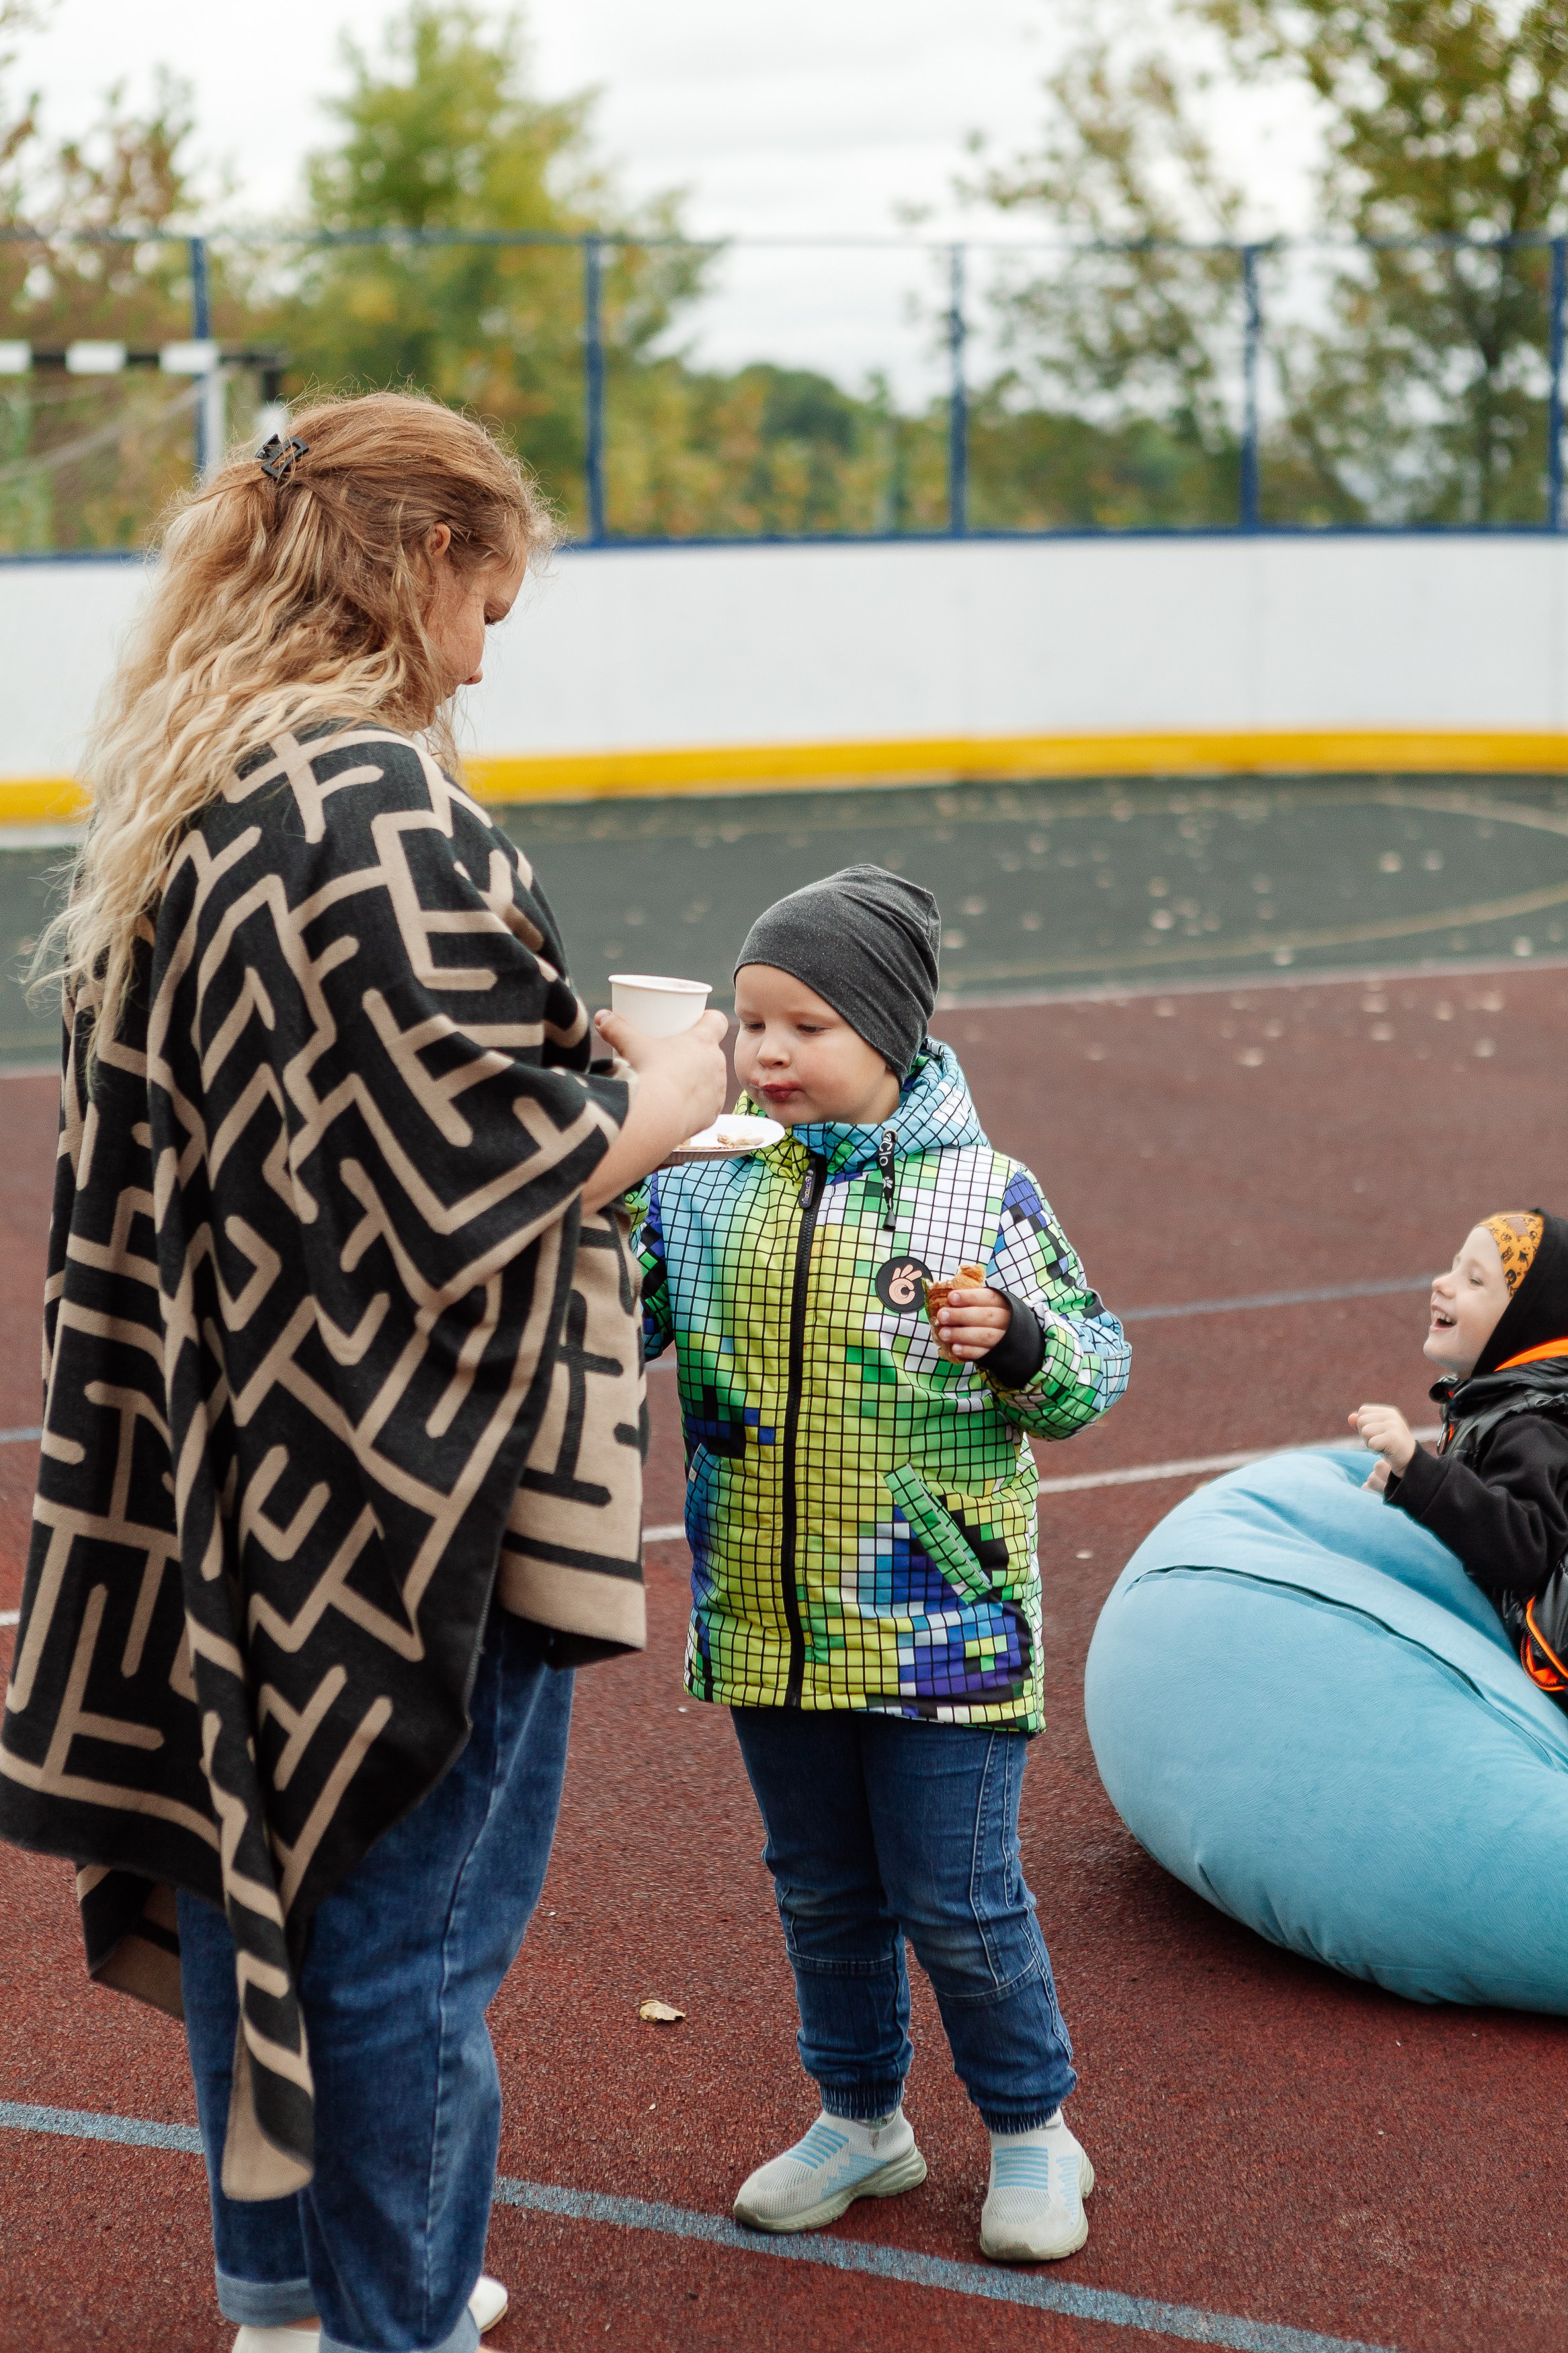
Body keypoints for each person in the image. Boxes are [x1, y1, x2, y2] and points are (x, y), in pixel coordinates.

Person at [0, 393, 727, 2353]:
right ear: (418, 569)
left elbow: (326, 1120)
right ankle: (390, 2316)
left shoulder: (192, 801)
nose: (488, 650)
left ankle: (280, 2295)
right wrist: (659, 1089)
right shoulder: (381, 805)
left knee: (264, 1867)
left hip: (239, 1472)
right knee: (408, 1942)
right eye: (488, 599)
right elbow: (473, 1166)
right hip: (414, 1492)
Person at [624, 865, 1130, 2264]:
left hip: (939, 1625)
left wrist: (1017, 1343)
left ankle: (1032, 2129)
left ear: (890, 1035)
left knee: (957, 1894)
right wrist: (604, 1186)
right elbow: (620, 1329)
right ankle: (860, 2117)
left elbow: (1091, 1370)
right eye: (749, 1023)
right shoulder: (707, 1182)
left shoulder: (984, 1192)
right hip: (771, 1618)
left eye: (805, 1025)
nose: (768, 1051)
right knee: (821, 1887)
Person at [1353, 1209, 1568, 1705]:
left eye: (1473, 1281)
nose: (1441, 1284)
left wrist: (1419, 1470)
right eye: (1452, 1267)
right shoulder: (1503, 1397)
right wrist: (1405, 1485)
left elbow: (1521, 1548)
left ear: (1525, 1322)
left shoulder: (1533, 1425)